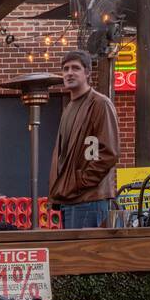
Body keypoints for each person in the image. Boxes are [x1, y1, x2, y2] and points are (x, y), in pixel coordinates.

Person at [48, 50, 120, 229]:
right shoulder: (69, 107)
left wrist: (80, 182)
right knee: (73, 255)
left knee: (82, 255)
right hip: (69, 199)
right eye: (65, 69)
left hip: (89, 199)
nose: (69, 73)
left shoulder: (100, 104)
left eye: (75, 68)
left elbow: (108, 152)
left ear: (88, 72)